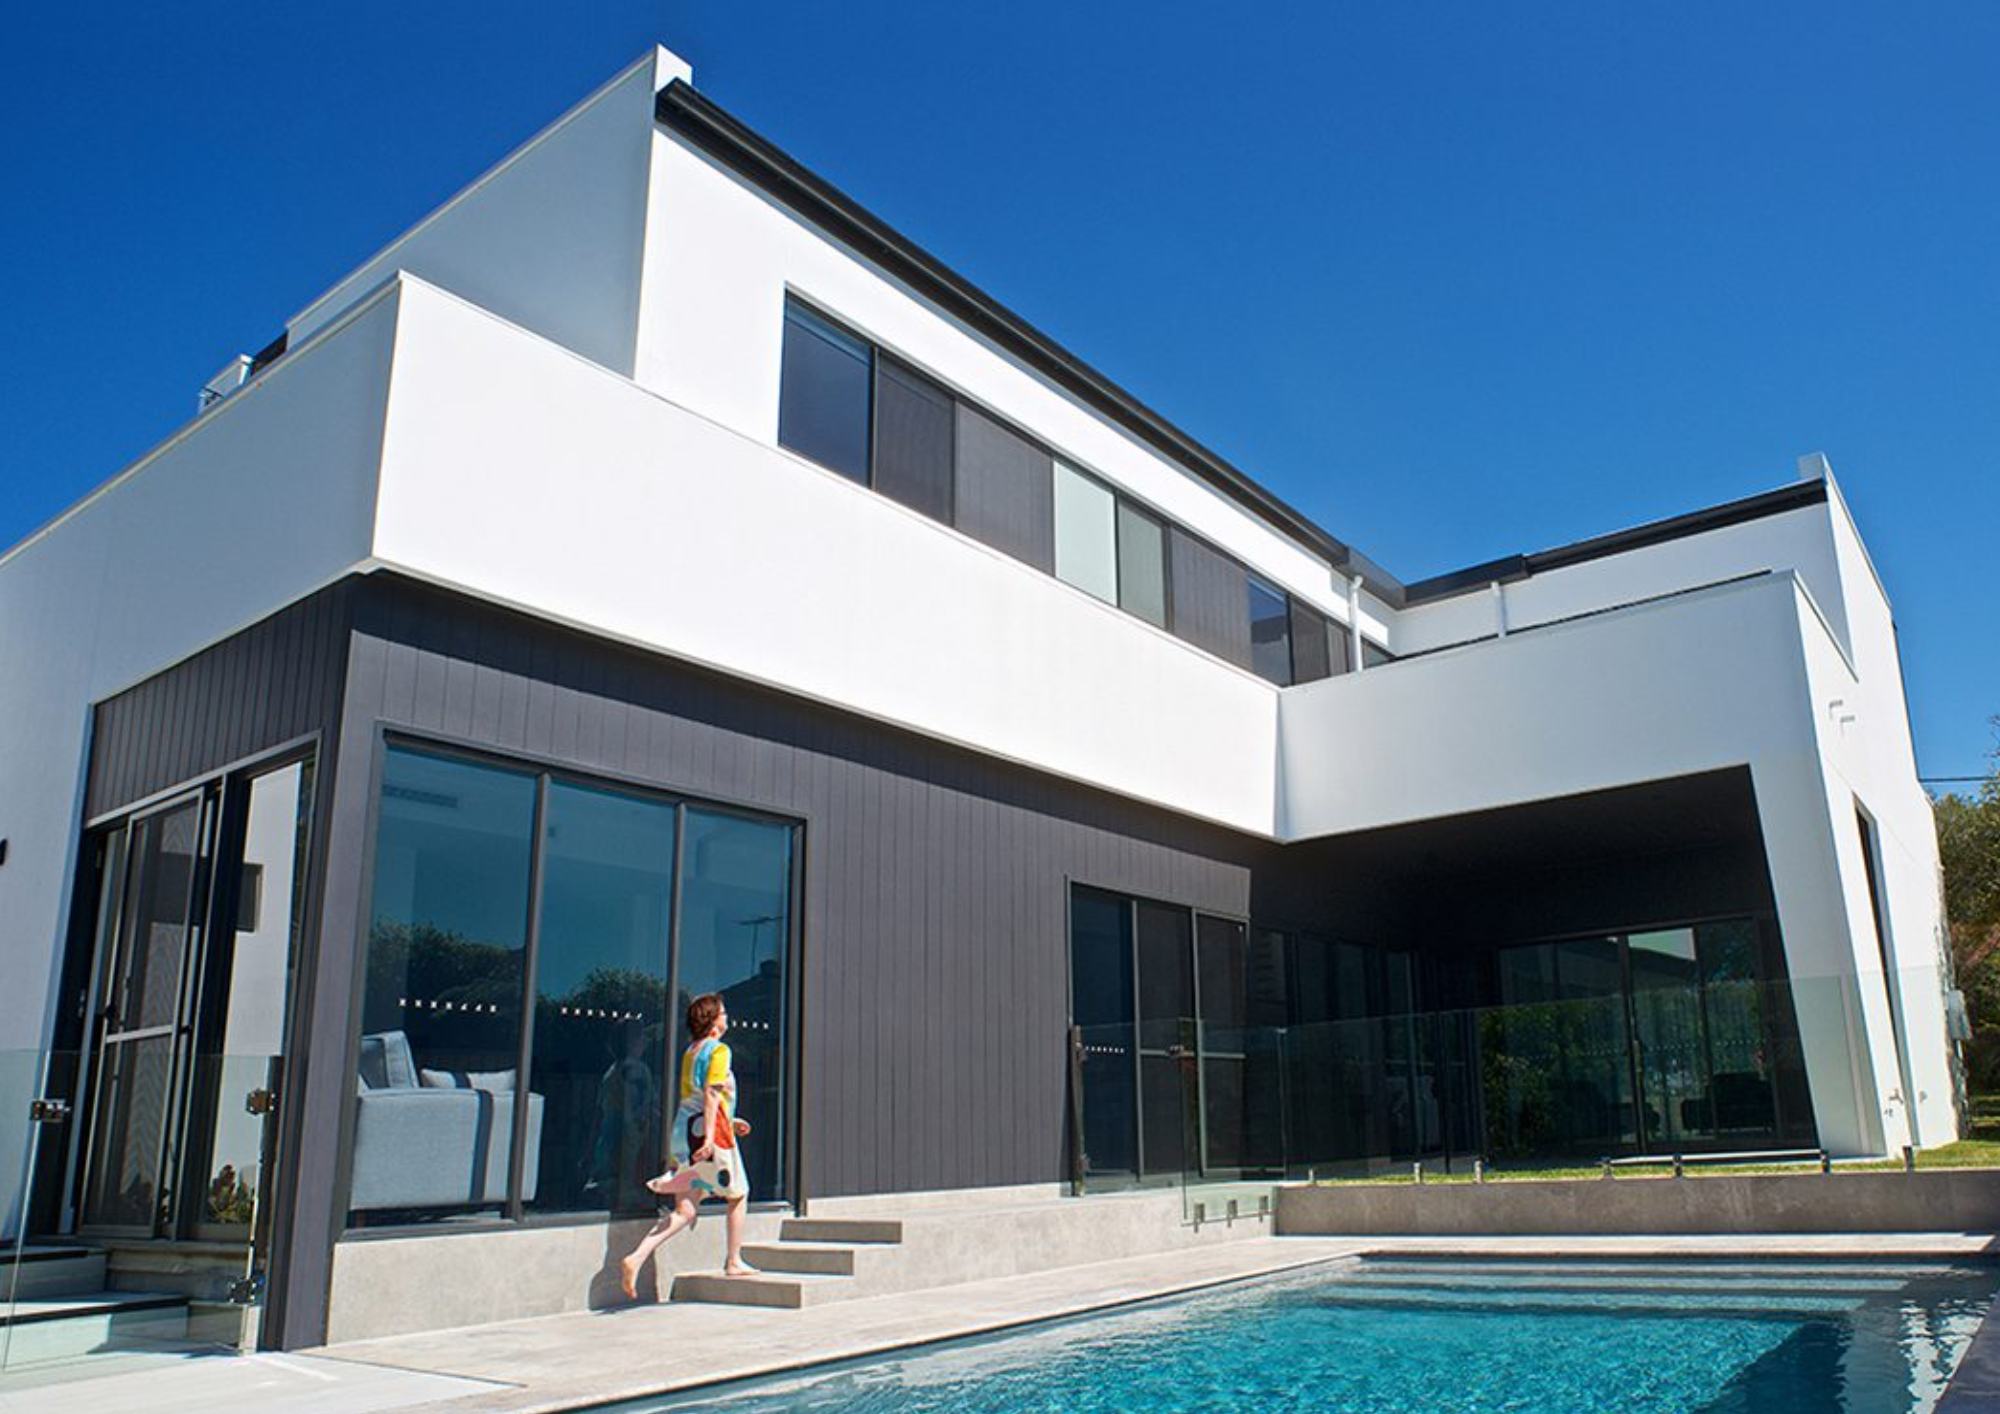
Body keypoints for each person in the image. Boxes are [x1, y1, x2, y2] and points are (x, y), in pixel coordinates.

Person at [619, 993, 753, 1297]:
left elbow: (695, 1099)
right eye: (723, 1012)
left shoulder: (690, 1052)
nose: (727, 1017)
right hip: (708, 1134)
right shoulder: (719, 1050)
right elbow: (710, 1094)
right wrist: (710, 1137)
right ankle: (733, 1260)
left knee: (685, 1210)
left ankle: (636, 1257)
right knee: (739, 1193)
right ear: (713, 1020)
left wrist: (731, 1121)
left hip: (683, 1129)